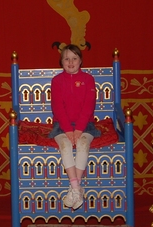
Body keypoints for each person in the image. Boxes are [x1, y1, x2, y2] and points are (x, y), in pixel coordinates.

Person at [48, 44, 100, 210]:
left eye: (74, 58)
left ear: (80, 61)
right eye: (66, 58)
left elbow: (88, 106)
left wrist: (78, 129)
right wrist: (68, 131)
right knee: (65, 145)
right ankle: (77, 188)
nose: (70, 62)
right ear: (61, 62)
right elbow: (57, 107)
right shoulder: (56, 81)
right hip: (61, 126)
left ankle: (74, 189)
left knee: (83, 144)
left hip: (85, 125)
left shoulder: (88, 80)